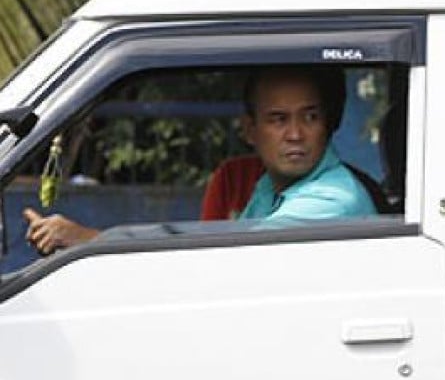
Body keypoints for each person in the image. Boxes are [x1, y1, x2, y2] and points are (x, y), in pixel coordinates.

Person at [22, 65, 375, 254]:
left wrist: (89, 241)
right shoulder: (271, 186)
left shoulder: (331, 200)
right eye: (278, 119)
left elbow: (215, 261)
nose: (296, 134)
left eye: (309, 117)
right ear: (249, 130)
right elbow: (205, 238)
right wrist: (94, 241)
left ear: (327, 123)